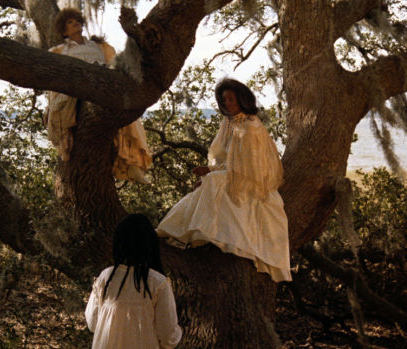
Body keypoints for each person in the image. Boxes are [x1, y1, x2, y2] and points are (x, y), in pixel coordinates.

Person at [157, 78, 292, 282]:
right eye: (223, 99)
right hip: (232, 172)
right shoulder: (228, 122)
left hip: (250, 179)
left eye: (230, 98)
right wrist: (210, 170)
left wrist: (212, 172)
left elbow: (246, 166)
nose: (227, 103)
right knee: (207, 182)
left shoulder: (250, 126)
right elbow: (224, 157)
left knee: (212, 182)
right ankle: (184, 233)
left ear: (241, 99)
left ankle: (203, 232)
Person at [46, 8, 151, 184]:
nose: (76, 23)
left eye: (77, 21)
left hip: (101, 85)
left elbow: (115, 65)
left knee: (126, 118)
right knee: (62, 102)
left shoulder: (98, 45)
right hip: (76, 86)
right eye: (70, 22)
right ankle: (65, 141)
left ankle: (133, 165)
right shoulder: (59, 50)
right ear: (64, 31)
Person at [85, 214, 182, 349]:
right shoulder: (157, 283)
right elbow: (168, 336)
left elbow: (92, 323)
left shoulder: (106, 277)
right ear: (150, 244)